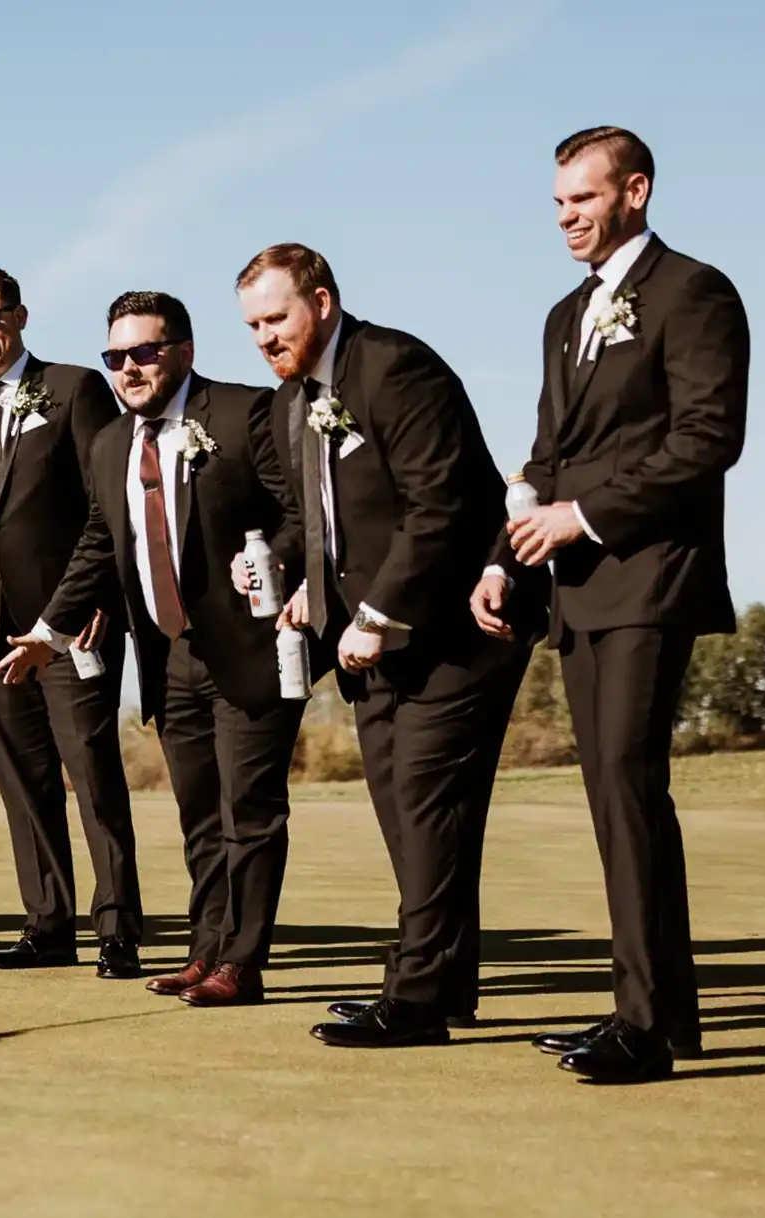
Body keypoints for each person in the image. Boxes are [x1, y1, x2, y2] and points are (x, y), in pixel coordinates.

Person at [475, 127, 748, 1084]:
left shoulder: (694, 292)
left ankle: (645, 1028)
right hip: (577, 591)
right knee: (611, 800)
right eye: (556, 205)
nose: (566, 219)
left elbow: (710, 438)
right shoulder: (562, 315)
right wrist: (511, 548)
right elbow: (548, 448)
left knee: (631, 791)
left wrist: (581, 517)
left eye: (582, 200)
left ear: (635, 190)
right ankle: (660, 1018)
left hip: (650, 577)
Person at [235, 245, 532, 1051]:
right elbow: (315, 523)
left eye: (277, 318)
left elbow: (440, 505)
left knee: (427, 807)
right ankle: (447, 984)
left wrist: (374, 613)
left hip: (457, 633)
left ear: (322, 302)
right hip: (372, 648)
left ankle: (417, 999)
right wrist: (290, 576)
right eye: (253, 325)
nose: (264, 337)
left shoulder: (395, 366)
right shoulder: (293, 404)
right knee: (410, 816)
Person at [0, 291, 302, 1005]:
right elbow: (99, 544)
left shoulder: (244, 413)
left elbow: (298, 511)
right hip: (168, 657)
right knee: (199, 813)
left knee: (249, 811)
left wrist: (277, 559)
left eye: (144, 352)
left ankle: (243, 962)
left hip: (251, 647)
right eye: (115, 357)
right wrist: (49, 633)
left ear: (185, 351)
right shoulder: (111, 445)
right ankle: (206, 952)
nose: (128, 368)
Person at [0, 266, 141, 976]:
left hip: (74, 628)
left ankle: (117, 930)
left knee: (93, 777)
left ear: (20, 316)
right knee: (23, 784)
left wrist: (101, 604)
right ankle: (48, 926)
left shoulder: (74, 390)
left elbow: (114, 507)